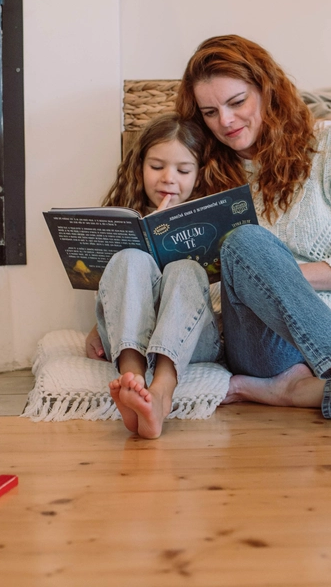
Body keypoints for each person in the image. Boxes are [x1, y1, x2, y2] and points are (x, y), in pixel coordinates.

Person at [174, 34, 331, 449]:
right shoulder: (200, 171)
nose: (225, 121)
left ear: (267, 89)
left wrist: (277, 278)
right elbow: (197, 279)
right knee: (246, 244)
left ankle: (292, 393)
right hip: (269, 346)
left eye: (237, 102)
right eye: (210, 112)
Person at [86, 113, 221, 439]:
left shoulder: (210, 218)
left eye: (183, 170)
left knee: (185, 268)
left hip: (192, 339)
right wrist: (96, 325)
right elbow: (115, 289)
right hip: (127, 340)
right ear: (139, 167)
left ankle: (161, 390)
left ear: (199, 174)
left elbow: (215, 297)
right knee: (130, 258)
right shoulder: (125, 214)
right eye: (157, 167)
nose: (168, 178)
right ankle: (132, 379)